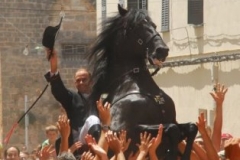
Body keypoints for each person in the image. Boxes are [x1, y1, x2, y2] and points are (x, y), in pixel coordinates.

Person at [44, 48, 101, 154]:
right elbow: (59, 91)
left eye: (84, 79)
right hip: (78, 142)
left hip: (96, 139)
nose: (81, 82)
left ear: (91, 81)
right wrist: (53, 67)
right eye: (78, 80)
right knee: (93, 119)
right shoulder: (72, 98)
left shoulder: (99, 98)